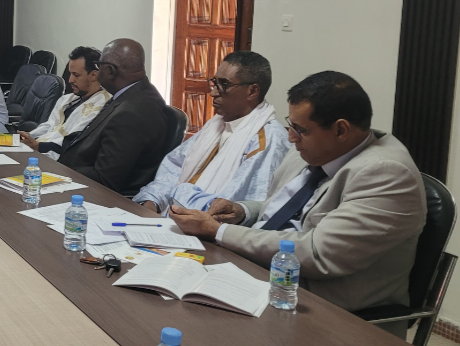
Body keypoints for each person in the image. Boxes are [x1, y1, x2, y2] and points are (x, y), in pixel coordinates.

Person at [168, 72, 425, 338]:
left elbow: (317, 253)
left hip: (326, 314)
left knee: (194, 328)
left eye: (301, 130)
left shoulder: (386, 173)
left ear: (341, 130)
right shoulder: (316, 148)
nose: (291, 137)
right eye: (291, 125)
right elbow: (283, 209)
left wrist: (218, 231)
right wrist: (242, 211)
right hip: (263, 276)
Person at [133, 51, 290, 213]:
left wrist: (178, 198)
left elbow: (233, 205)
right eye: (215, 83)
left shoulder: (268, 140)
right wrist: (152, 201)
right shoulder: (217, 124)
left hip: (205, 224)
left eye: (224, 85)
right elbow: (175, 168)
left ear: (252, 91)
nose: (213, 92)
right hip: (171, 216)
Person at [56, 39, 168, 195]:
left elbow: (104, 179)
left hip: (92, 193)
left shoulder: (132, 113)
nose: (97, 71)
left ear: (110, 71)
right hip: (77, 174)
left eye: (99, 66)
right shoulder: (133, 94)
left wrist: (60, 171)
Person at [18, 46, 110, 160]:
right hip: (38, 151)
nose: (70, 80)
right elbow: (50, 125)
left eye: (76, 75)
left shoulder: (103, 106)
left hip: (62, 160)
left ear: (93, 75)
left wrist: (39, 146)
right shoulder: (67, 99)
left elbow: (75, 142)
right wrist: (28, 136)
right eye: (70, 74)